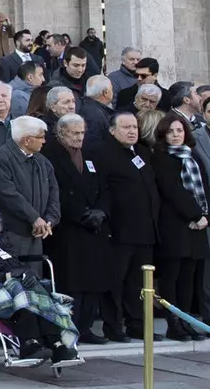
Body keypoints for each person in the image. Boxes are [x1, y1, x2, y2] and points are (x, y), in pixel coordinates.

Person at [0, 209, 80, 364]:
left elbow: (16, 265)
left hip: (14, 284)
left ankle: (56, 342)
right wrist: (8, 276)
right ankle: (29, 342)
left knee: (39, 292)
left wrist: (27, 273)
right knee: (22, 293)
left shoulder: (2, 242)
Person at [41, 113, 111, 343]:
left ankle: (86, 327)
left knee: (93, 280)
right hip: (69, 228)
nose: (80, 137)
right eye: (74, 133)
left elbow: (104, 186)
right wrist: (81, 215)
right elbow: (55, 192)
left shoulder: (90, 155)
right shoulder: (50, 155)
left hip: (94, 227)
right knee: (72, 281)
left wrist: (101, 211)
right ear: (61, 133)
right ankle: (69, 327)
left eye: (82, 133)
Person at [99, 111, 159, 341]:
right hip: (119, 230)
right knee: (116, 281)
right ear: (113, 131)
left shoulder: (142, 152)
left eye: (134, 127)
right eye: (126, 127)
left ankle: (137, 324)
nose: (132, 131)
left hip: (145, 230)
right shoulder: (103, 154)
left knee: (139, 282)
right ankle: (114, 326)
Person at [150, 113, 210, 341]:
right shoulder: (161, 158)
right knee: (172, 277)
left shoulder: (192, 155)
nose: (176, 135)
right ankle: (173, 323)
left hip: (197, 226)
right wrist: (195, 214)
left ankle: (187, 322)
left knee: (188, 278)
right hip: (175, 225)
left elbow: (204, 187)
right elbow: (173, 190)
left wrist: (205, 216)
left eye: (180, 130)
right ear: (163, 135)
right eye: (171, 132)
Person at [0, 116, 60, 267]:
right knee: (14, 278)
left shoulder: (43, 161)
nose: (44, 141)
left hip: (37, 232)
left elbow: (54, 193)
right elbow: (7, 193)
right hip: (12, 232)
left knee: (35, 279)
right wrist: (34, 217)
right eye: (40, 137)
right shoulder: (1, 157)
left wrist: (49, 220)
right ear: (26, 140)